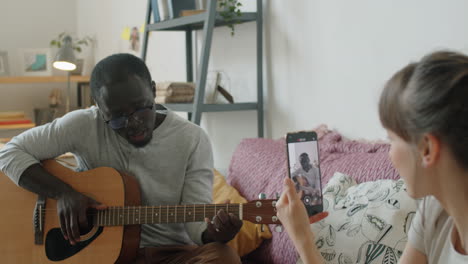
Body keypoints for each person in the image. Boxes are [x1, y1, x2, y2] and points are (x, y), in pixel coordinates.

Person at [0, 53, 242, 263]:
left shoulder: (192, 138)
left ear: (153, 89)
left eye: (141, 108)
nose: (133, 123)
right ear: (98, 107)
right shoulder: (83, 124)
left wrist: (217, 232)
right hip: (98, 255)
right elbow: (8, 152)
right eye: (116, 118)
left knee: (223, 257)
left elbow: (197, 225)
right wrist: (63, 193)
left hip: (171, 255)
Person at [276, 50, 468, 263]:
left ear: (427, 149)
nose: (390, 154)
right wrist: (303, 239)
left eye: (392, 139)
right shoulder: (434, 212)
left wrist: (304, 242)